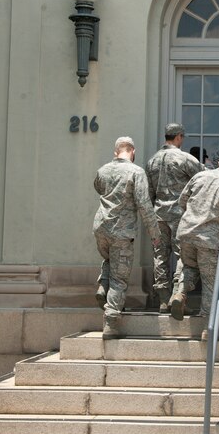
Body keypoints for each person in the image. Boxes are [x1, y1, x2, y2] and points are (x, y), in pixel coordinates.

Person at [170, 150, 219, 338]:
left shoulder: (200, 175)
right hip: (208, 239)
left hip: (186, 232)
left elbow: (182, 201)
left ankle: (180, 292)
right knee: (210, 282)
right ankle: (207, 328)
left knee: (189, 267)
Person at [93, 136, 161, 339]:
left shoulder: (103, 170)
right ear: (133, 151)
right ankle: (111, 322)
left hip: (101, 228)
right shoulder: (136, 172)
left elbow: (98, 187)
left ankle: (103, 284)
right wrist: (155, 234)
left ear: (116, 152)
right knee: (120, 279)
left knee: (109, 260)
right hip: (122, 231)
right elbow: (144, 204)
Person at [146, 123, 204, 312]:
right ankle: (178, 296)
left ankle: (163, 298)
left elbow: (149, 192)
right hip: (180, 214)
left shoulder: (152, 161)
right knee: (182, 254)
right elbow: (204, 180)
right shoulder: (185, 158)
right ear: (179, 137)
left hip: (158, 213)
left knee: (160, 256)